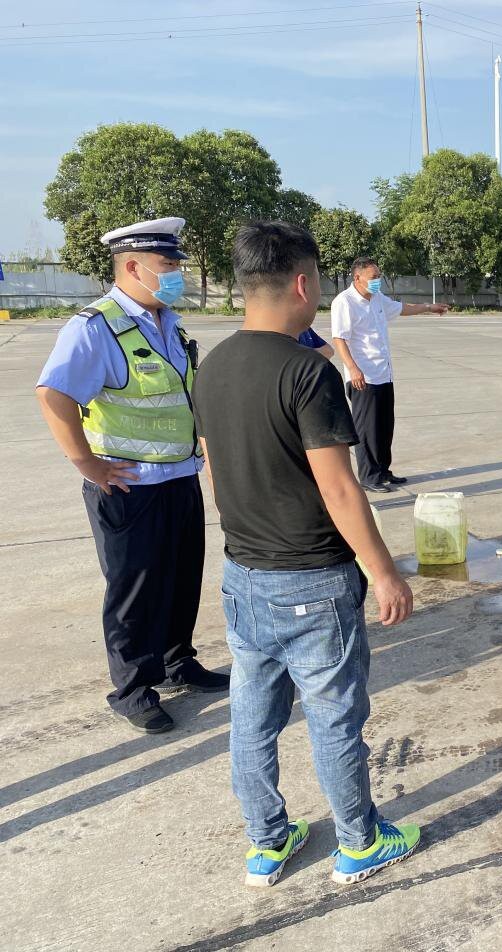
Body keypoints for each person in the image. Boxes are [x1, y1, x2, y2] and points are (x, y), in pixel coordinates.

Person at [193, 220, 420, 889]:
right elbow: (339, 487)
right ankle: (359, 842)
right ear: (301, 283)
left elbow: (214, 469)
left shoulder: (212, 367)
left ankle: (267, 844)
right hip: (313, 582)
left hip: (243, 575)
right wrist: (384, 571)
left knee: (251, 719)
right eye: (317, 278)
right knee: (334, 718)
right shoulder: (306, 371)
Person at [35, 217, 228, 734]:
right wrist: (87, 464)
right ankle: (134, 689)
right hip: (127, 485)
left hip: (179, 477)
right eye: (168, 265)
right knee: (134, 589)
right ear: (134, 267)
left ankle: (177, 661)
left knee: (182, 576)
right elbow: (53, 395)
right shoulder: (93, 327)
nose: (176, 275)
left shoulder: (168, 323)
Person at [330, 258, 448, 493]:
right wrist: (353, 369)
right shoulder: (344, 302)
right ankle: (369, 476)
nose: (378, 281)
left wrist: (428, 307)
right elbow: (339, 338)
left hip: (384, 372)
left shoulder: (377, 298)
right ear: (357, 277)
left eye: (379, 276)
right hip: (363, 377)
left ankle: (383, 470)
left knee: (384, 426)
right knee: (367, 429)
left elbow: (402, 308)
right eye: (373, 277)